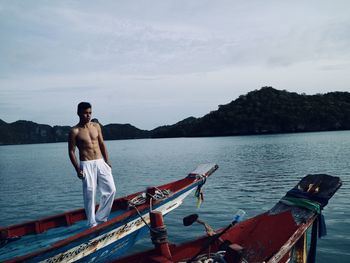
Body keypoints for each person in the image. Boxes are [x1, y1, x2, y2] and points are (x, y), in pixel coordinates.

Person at [68, 102, 116, 227]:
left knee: (111, 190)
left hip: (100, 162)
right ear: (78, 113)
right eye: (85, 113)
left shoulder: (96, 126)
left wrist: (107, 161)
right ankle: (92, 223)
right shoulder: (74, 131)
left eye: (90, 113)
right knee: (90, 194)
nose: (88, 115)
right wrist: (77, 169)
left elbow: (102, 144)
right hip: (86, 164)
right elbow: (71, 152)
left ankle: (101, 217)